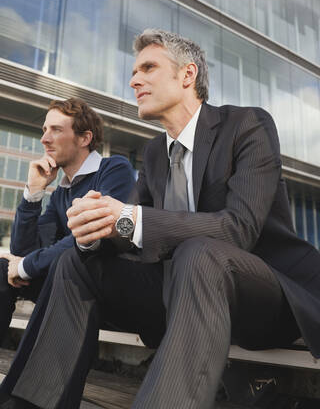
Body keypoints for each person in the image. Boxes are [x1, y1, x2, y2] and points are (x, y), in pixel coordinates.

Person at [1, 29, 320, 409]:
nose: (134, 80)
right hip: (180, 291)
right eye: (134, 71)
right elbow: (126, 228)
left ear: (187, 75)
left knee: (200, 253)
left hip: (262, 294)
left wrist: (127, 218)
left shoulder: (247, 126)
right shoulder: (154, 154)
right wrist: (94, 229)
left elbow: (239, 228)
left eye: (148, 68)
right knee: (76, 261)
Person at [0, 97, 135, 346]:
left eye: (56, 130)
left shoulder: (115, 168)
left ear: (84, 138)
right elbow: (23, 251)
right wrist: (33, 193)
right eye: (44, 130)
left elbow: (90, 235)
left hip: (109, 291)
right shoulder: (61, 193)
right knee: (2, 267)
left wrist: (26, 264)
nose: (44, 139)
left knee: (43, 263)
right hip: (67, 285)